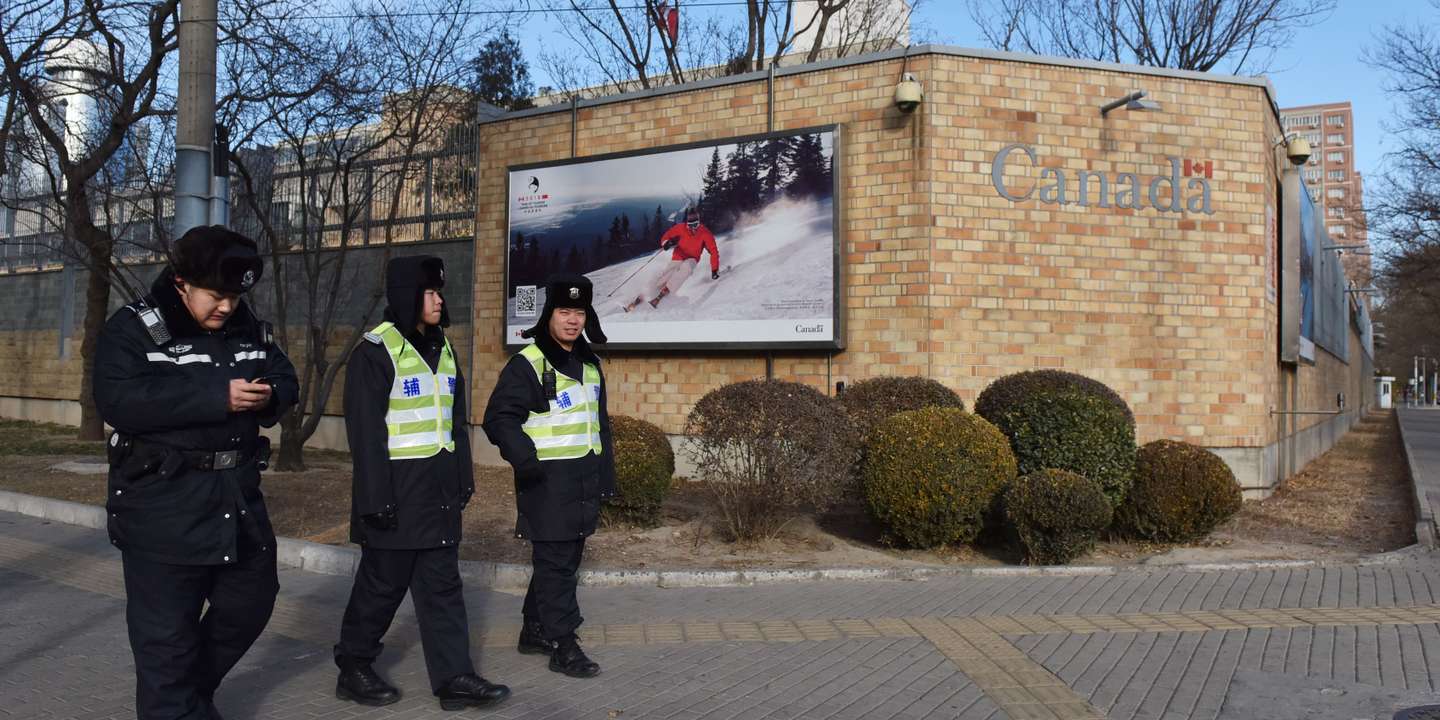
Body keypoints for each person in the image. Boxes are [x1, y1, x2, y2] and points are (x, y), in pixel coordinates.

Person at [94, 225, 299, 720]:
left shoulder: (245, 324)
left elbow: (284, 375)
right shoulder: (134, 327)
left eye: (234, 296)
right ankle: (176, 704)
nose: (226, 307)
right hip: (162, 505)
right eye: (216, 295)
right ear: (182, 282)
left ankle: (184, 698)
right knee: (166, 640)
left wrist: (272, 394)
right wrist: (218, 397)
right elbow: (120, 400)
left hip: (236, 501)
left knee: (251, 601)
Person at [332, 255, 510, 711]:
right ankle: (353, 666)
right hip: (394, 488)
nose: (439, 300)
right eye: (431, 292)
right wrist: (375, 499)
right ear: (408, 295)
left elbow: (453, 422)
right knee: (382, 585)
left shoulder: (444, 347)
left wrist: (463, 476)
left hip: (437, 488)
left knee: (442, 585)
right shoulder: (376, 350)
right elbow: (366, 435)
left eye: (439, 292)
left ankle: (454, 678)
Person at [483, 273, 615, 678]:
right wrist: (527, 461)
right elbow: (498, 419)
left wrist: (606, 477)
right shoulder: (527, 363)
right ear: (549, 315)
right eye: (564, 311)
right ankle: (564, 644)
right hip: (547, 482)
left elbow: (599, 425)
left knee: (563, 561)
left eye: (579, 312)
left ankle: (533, 629)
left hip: (584, 480)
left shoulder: (589, 364)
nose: (573, 320)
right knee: (557, 564)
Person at [622, 207, 720, 312]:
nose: (692, 228)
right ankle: (639, 298)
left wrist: (714, 269)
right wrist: (667, 243)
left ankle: (663, 293)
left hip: (692, 258)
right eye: (690, 225)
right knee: (666, 276)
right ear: (687, 222)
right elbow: (666, 236)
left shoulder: (705, 233)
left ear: (699, 221)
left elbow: (714, 251)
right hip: (678, 256)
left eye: (695, 224)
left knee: (687, 268)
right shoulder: (680, 228)